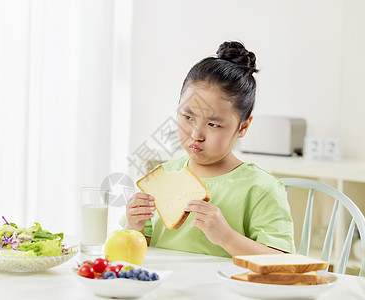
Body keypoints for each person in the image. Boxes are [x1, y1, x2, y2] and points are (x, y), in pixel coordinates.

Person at [122, 41, 295, 257]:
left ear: (243, 126)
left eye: (213, 124)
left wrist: (226, 237)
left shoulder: (261, 188)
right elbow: (136, 251)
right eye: (187, 117)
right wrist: (134, 226)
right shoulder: (161, 177)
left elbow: (283, 263)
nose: (196, 134)